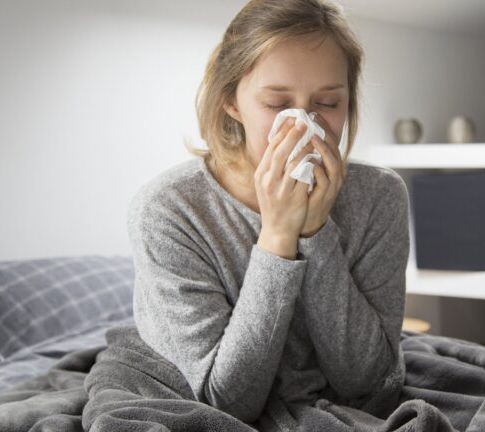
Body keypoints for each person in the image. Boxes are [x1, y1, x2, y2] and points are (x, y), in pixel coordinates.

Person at [126, 0, 410, 426]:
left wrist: (315, 232)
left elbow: (369, 382)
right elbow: (228, 402)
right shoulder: (169, 210)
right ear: (231, 100)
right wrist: (278, 234)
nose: (304, 126)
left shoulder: (379, 195)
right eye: (277, 105)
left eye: (328, 103)